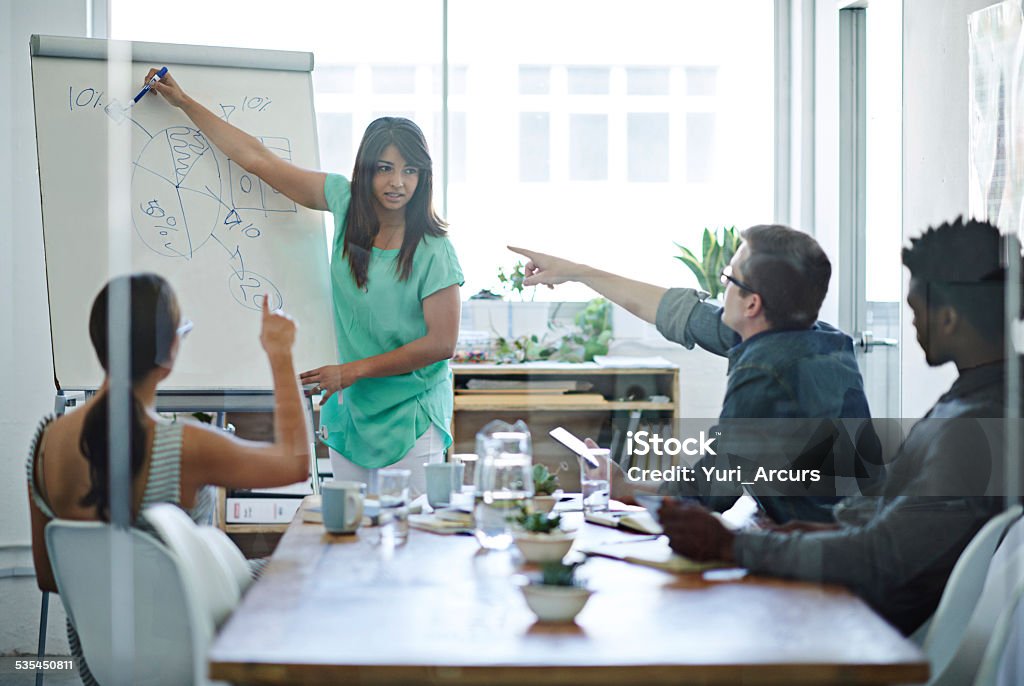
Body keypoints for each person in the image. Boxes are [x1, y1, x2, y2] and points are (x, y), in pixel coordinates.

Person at [658, 217, 1015, 635]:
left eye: (916, 309)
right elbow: (896, 518)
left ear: (949, 318)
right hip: (871, 607)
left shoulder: (972, 428)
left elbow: (881, 557)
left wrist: (732, 545)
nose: (913, 325)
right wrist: (814, 530)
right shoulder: (980, 396)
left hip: (873, 628)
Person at [147, 69, 464, 494]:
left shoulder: (434, 249)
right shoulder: (345, 200)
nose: (397, 182)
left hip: (412, 414)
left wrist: (352, 370)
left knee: (404, 542)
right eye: (385, 168)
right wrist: (184, 102)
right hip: (352, 411)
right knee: (348, 537)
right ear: (366, 170)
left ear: (423, 176)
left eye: (409, 171)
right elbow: (260, 161)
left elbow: (441, 344)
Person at [26, 273, 310, 685]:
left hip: (102, 670)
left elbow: (49, 576)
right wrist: (280, 353)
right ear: (170, 350)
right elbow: (295, 463)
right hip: (195, 657)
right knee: (303, 565)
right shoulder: (181, 446)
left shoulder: (46, 443)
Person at [510, 224, 882, 523]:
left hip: (826, 554)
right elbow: (676, 312)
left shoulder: (765, 372)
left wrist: (623, 485)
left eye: (728, 280)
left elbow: (708, 492)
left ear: (752, 303)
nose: (722, 291)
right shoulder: (820, 339)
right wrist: (577, 272)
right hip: (852, 526)